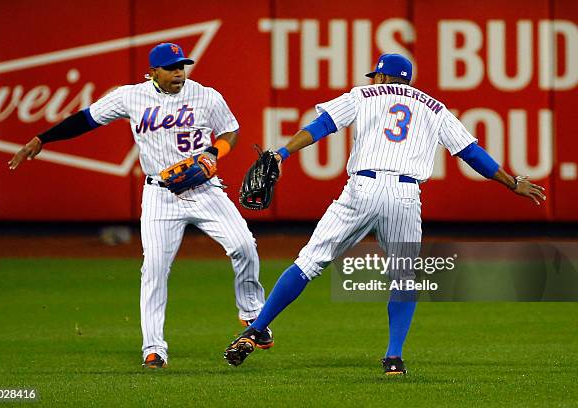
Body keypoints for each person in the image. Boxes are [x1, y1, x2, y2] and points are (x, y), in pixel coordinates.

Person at [223, 54, 546, 374]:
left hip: (362, 188)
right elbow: (471, 152)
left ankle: (255, 330)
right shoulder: (433, 107)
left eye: (373, 76)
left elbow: (323, 125)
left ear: (379, 77)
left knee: (308, 263)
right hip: (405, 195)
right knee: (404, 277)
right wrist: (511, 182)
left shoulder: (362, 95)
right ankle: (394, 358)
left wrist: (282, 152)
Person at [8, 43, 274, 369]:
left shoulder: (207, 96)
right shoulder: (130, 97)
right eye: (171, 67)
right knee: (154, 270)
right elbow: (86, 119)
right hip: (160, 195)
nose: (179, 72)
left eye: (182, 66)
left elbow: (231, 129)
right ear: (152, 72)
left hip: (206, 190)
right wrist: (42, 138)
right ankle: (153, 348)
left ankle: (252, 315)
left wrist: (215, 153)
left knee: (244, 245)